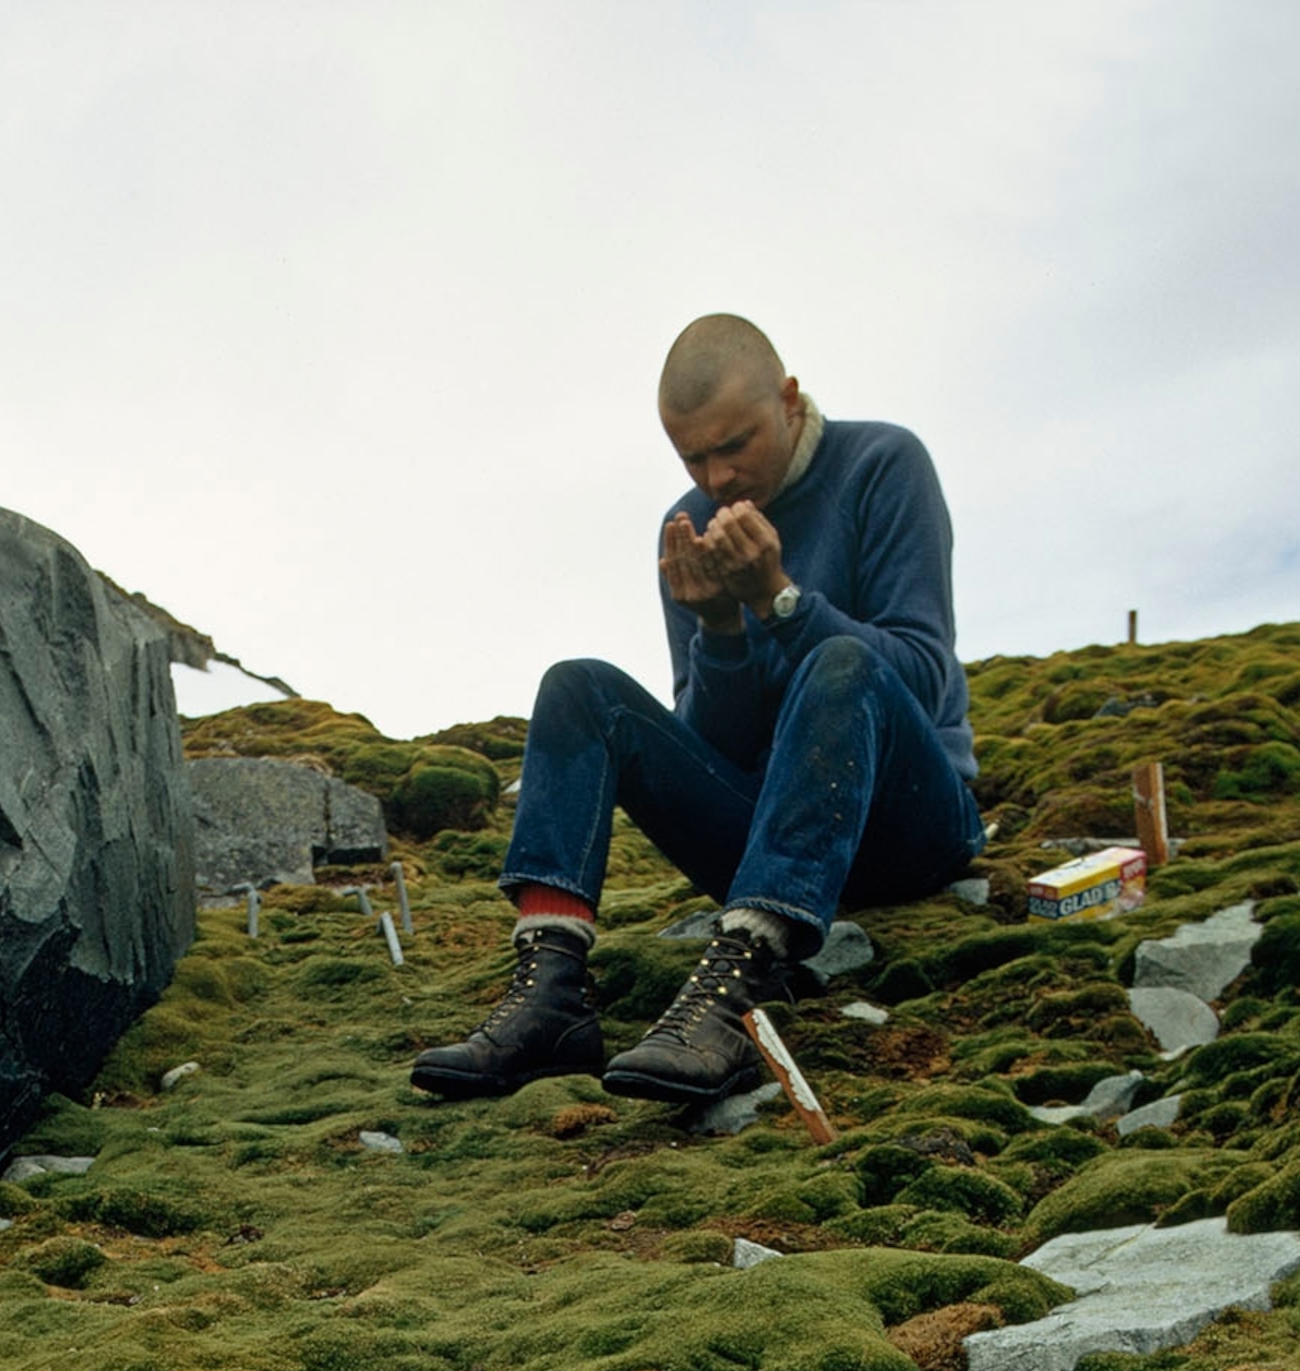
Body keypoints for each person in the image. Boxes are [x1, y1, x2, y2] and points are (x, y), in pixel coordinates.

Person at [410, 313, 984, 1107]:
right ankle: (550, 997)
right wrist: (719, 629)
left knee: (839, 660)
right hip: (773, 844)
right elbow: (716, 742)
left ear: (787, 400)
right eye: (692, 456)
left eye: (734, 445)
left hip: (912, 829)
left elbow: (921, 678)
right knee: (577, 685)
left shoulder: (883, 463)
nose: (716, 478)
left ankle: (740, 987)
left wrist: (780, 602)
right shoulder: (689, 524)